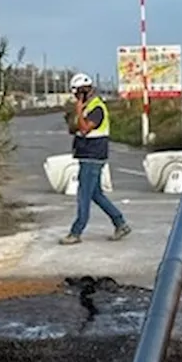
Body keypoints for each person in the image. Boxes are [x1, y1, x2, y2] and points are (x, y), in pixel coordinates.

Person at [60, 73, 132, 245]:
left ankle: (76, 232)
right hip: (86, 155)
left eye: (78, 92)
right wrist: (75, 114)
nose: (76, 96)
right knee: (96, 194)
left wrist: (78, 111)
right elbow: (74, 128)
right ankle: (120, 223)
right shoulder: (87, 107)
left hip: (93, 156)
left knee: (84, 195)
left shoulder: (97, 108)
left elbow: (85, 129)